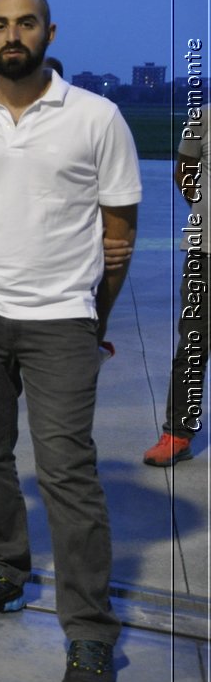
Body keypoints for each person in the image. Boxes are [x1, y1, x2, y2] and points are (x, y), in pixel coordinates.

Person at [0, 0, 139, 682]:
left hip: (62, 320)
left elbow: (119, 233)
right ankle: (0, 567)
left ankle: (88, 627)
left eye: (25, 23)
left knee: (66, 471)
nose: (12, 35)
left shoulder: (97, 117)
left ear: (49, 31)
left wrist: (94, 317)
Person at [144, 126, 207, 465]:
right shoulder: (204, 118)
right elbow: (183, 170)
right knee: (193, 346)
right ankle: (177, 435)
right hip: (205, 253)